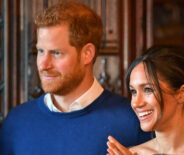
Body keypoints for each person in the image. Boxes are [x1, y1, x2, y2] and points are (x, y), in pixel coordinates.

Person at [0, 2, 151, 155]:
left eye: (56, 53)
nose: (43, 65)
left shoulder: (134, 122)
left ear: (87, 54)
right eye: (40, 51)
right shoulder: (16, 121)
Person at [106, 47, 184, 155]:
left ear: (181, 93)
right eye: (133, 91)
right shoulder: (132, 153)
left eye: (148, 89)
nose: (136, 103)